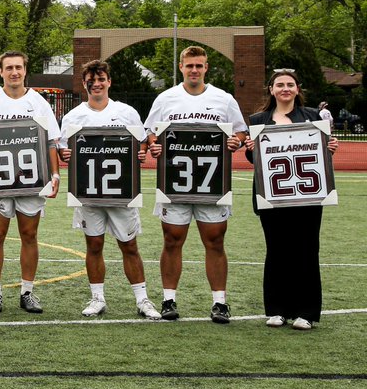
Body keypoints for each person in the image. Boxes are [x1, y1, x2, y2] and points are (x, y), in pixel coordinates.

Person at [144, 46, 248, 324]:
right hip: (174, 181)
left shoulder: (223, 99)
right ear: (181, 67)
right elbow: (150, 133)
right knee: (171, 239)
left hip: (212, 182)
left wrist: (235, 140)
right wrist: (154, 145)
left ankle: (220, 303)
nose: (194, 70)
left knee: (214, 240)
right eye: (189, 65)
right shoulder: (166, 98)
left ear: (206, 68)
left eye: (199, 66)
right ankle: (168, 299)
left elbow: (239, 130)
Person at [56, 60, 161, 320]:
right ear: (84, 84)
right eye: (91, 81)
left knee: (130, 245)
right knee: (93, 245)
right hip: (88, 191)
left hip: (121, 191)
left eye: (101, 79)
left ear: (109, 81)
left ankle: (142, 299)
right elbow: (61, 147)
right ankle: (97, 298)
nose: (97, 84)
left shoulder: (126, 112)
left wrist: (143, 152)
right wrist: (64, 152)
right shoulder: (73, 116)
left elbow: (142, 144)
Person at [245, 69, 339, 330]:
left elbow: (323, 154)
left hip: (307, 197)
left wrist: (330, 148)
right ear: (271, 89)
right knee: (276, 252)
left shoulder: (313, 117)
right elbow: (255, 162)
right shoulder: (258, 119)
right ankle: (276, 309)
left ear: (297, 89)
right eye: (279, 85)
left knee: (306, 252)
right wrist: (251, 150)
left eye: (290, 85)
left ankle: (306, 312)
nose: (285, 89)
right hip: (272, 197)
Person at [0, 51, 61, 314]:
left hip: (31, 180)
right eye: (9, 68)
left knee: (29, 235)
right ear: (0, 71)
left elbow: (50, 142)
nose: (14, 72)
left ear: (25, 70)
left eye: (18, 67)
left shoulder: (39, 103)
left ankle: (27, 291)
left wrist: (55, 175)